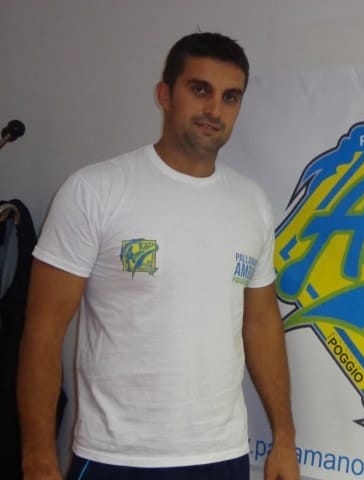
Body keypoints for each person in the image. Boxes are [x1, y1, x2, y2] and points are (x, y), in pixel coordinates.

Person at [17, 32, 299, 480]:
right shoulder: (95, 190)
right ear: (165, 94)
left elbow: (262, 323)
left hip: (222, 455)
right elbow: (42, 333)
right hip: (117, 458)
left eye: (230, 97)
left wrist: (284, 437)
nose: (214, 110)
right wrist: (37, 458)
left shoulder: (252, 204)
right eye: (200, 89)